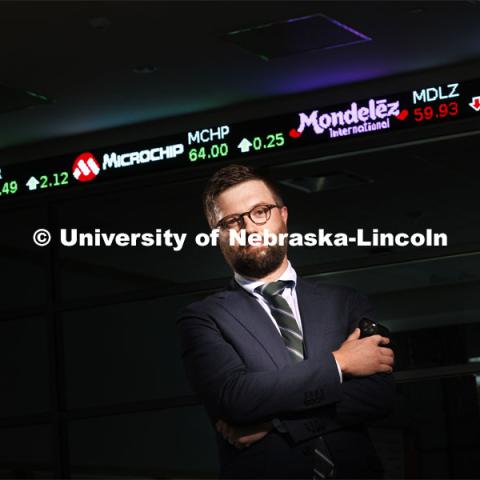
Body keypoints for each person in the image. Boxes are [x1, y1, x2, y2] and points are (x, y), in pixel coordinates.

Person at [176, 164, 395, 479]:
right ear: (218, 235)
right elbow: (237, 399)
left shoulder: (345, 301)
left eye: (260, 211)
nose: (250, 228)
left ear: (283, 215)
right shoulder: (203, 318)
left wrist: (276, 423)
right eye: (233, 221)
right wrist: (339, 363)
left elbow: (378, 398)